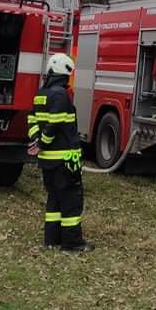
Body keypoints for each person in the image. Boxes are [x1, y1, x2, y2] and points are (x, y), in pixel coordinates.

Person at [27, 53, 94, 253]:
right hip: (65, 159)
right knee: (71, 201)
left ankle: (52, 239)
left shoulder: (41, 94)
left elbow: (32, 119)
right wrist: (43, 143)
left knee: (54, 199)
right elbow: (54, 123)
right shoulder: (61, 95)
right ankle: (72, 243)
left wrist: (36, 139)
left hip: (47, 161)